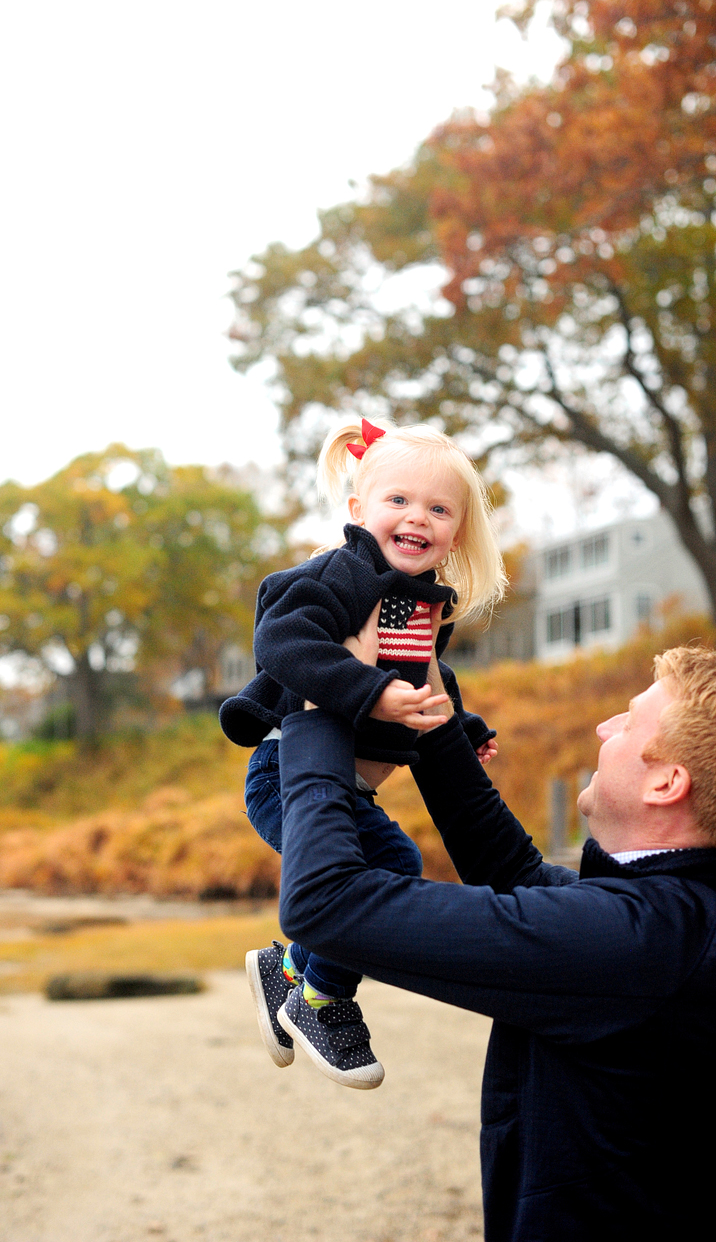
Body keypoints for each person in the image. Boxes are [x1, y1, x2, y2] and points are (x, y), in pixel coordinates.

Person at [276, 620, 716, 1240]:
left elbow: (326, 901)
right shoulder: (674, 919)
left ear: (666, 782)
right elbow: (514, 874)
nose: (603, 728)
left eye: (627, 720)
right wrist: (427, 703)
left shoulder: (644, 945)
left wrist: (319, 706)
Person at [219, 417, 506, 1087]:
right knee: (387, 865)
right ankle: (319, 999)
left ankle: (289, 970)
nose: (417, 518)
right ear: (358, 511)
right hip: (283, 773)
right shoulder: (342, 575)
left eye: (438, 509)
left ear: (456, 532)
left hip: (348, 788)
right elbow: (283, 642)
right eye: (398, 501)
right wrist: (370, 691)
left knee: (391, 866)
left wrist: (463, 729)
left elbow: (428, 678)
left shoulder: (424, 603)